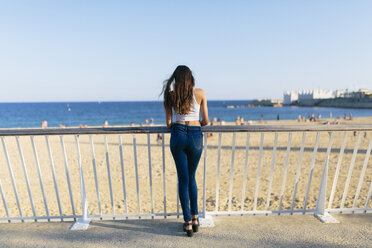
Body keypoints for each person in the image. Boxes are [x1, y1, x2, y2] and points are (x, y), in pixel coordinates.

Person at [161, 65, 209, 237]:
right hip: (196, 135)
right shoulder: (200, 93)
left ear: (175, 79)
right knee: (192, 177)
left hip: (178, 134)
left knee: (183, 179)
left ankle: (187, 223)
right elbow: (205, 120)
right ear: (190, 78)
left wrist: (180, 124)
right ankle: (196, 219)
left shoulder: (170, 96)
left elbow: (168, 124)